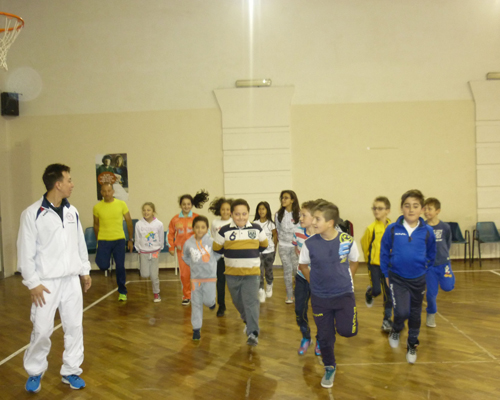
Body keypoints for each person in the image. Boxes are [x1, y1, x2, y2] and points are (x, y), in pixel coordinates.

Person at [17, 164, 91, 393]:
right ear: (57, 184)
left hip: (70, 281)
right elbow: (25, 251)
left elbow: (80, 244)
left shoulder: (73, 212)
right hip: (45, 284)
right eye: (69, 180)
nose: (72, 184)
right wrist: (33, 283)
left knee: (74, 327)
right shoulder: (32, 214)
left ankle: (71, 371)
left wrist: (84, 270)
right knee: (41, 330)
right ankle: (35, 371)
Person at [298, 200, 359, 388]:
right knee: (324, 336)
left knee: (348, 331)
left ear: (331, 222)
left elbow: (354, 261)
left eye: (317, 219)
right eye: (313, 218)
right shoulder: (309, 244)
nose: (313, 222)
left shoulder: (347, 241)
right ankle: (330, 367)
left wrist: (347, 278)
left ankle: (334, 331)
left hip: (344, 295)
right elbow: (303, 265)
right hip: (320, 298)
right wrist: (313, 283)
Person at [381, 189, 436, 364]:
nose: (411, 210)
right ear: (401, 208)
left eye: (415, 206)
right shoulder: (392, 229)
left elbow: (431, 254)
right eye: (407, 206)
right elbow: (383, 253)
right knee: (402, 311)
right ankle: (396, 329)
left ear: (421, 209)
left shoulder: (428, 231)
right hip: (397, 278)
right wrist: (386, 274)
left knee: (414, 313)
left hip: (418, 279)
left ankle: (412, 342)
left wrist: (424, 267)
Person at [213, 199, 268, 347]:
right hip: (231, 274)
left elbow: (264, 245)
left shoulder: (256, 229)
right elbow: (217, 248)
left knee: (251, 302)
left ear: (248, 214)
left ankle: (253, 332)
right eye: (237, 214)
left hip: (252, 274)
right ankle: (248, 320)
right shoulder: (224, 231)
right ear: (232, 214)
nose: (241, 217)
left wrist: (249, 254)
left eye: (244, 214)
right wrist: (232, 252)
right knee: (237, 301)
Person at [93, 182, 134, 301]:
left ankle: (122, 292)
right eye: (104, 191)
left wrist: (130, 239)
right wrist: (98, 241)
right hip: (103, 240)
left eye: (109, 191)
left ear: (113, 192)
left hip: (119, 240)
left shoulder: (121, 204)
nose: (107, 193)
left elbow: (129, 221)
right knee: (103, 265)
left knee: (120, 266)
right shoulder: (97, 207)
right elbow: (96, 225)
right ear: (101, 192)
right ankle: (103, 258)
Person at [168, 190, 209, 305]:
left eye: (188, 204)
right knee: (184, 275)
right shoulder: (175, 219)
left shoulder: (197, 218)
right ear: (180, 205)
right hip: (182, 252)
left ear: (191, 205)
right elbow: (170, 234)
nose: (186, 206)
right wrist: (171, 247)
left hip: (195, 251)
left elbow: (206, 232)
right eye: (184, 204)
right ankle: (187, 295)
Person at [183, 216, 220, 340]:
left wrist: (210, 265)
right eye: (197, 227)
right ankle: (196, 329)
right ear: (193, 228)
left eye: (203, 227)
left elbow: (218, 254)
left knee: (208, 301)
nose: (200, 230)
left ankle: (212, 303)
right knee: (196, 304)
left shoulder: (211, 241)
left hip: (209, 277)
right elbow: (185, 257)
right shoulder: (188, 243)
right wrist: (195, 266)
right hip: (196, 279)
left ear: (207, 229)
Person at [361, 196, 393, 333]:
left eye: (380, 208)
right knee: (377, 291)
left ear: (388, 211)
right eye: (374, 208)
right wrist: (369, 261)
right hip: (374, 265)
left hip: (389, 267)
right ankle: (370, 293)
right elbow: (365, 245)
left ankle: (386, 320)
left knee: (389, 293)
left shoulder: (393, 228)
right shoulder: (371, 228)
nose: (376, 211)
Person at [292, 200, 320, 356]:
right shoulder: (297, 231)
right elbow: (297, 249)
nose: (300, 218)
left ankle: (321, 339)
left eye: (304, 215)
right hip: (302, 277)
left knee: (320, 312)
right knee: (299, 309)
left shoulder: (323, 233)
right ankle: (306, 337)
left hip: (319, 280)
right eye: (299, 215)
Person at [423, 197, 455, 328]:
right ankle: (431, 314)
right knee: (431, 294)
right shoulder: (422, 227)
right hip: (429, 267)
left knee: (448, 287)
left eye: (429, 209)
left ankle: (448, 277)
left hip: (444, 264)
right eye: (425, 209)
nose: (426, 211)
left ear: (438, 211)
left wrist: (443, 256)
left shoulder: (445, 227)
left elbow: (447, 243)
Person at [135, 202, 165, 302]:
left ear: (153, 211)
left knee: (154, 275)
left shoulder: (159, 224)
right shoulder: (139, 224)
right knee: (144, 274)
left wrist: (160, 247)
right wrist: (138, 248)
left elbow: (161, 237)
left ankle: (156, 293)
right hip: (143, 252)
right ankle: (146, 272)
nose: (146, 212)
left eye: (148, 210)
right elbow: (137, 237)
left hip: (155, 251)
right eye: (144, 210)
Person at [208, 197, 233, 317]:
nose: (225, 211)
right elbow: (213, 237)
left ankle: (239, 305)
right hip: (219, 258)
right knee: (220, 283)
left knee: (234, 282)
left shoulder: (234, 222)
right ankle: (221, 306)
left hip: (232, 258)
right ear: (219, 210)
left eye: (228, 209)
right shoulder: (215, 223)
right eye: (223, 209)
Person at [275, 190, 301, 303]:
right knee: (287, 269)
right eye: (282, 198)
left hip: (295, 247)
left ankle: (298, 291)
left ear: (292, 200)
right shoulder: (278, 214)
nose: (283, 200)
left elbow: (301, 230)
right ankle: (289, 295)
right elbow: (278, 229)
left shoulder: (299, 214)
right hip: (283, 246)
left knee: (296, 270)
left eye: (286, 198)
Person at [253, 201, 277, 303]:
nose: (261, 211)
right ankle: (261, 290)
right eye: (259, 209)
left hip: (269, 251)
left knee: (268, 271)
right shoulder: (254, 223)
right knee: (259, 272)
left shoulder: (271, 224)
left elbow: (275, 236)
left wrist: (274, 247)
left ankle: (269, 284)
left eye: (263, 208)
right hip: (258, 252)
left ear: (267, 210)